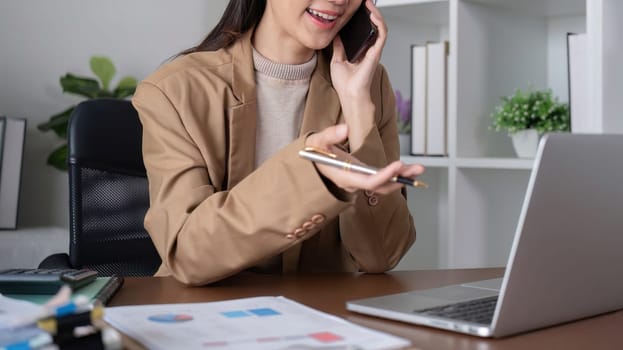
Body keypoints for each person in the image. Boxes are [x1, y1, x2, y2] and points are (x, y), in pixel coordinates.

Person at [132, 0, 424, 286]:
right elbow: (188, 253)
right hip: (203, 315)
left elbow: (382, 256)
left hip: (320, 317)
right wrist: (312, 176)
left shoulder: (366, 83)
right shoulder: (174, 90)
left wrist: (357, 106)